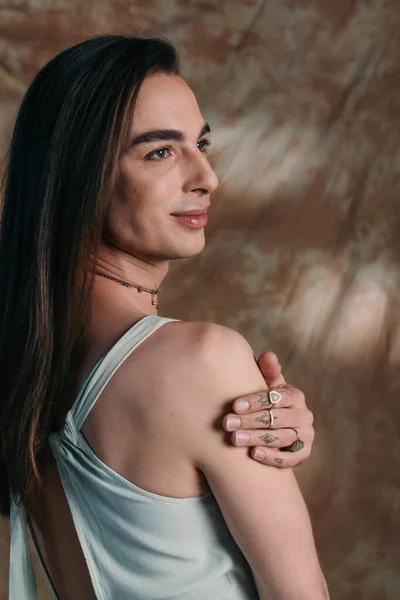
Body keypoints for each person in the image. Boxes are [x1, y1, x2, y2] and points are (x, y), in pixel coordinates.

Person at [0, 35, 328, 599]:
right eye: (160, 151)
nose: (206, 176)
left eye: (201, 143)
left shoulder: (18, 366)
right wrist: (226, 382)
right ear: (79, 175)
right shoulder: (201, 361)